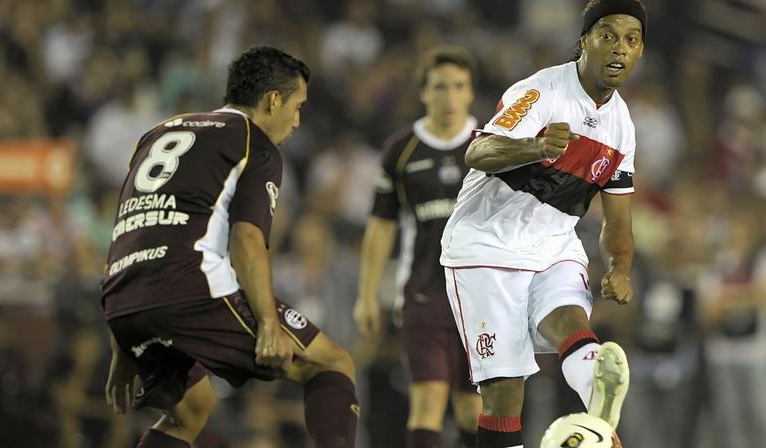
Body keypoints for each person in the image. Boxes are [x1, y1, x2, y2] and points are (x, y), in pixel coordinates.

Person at [101, 46, 359, 448]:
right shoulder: (253, 143)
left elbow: (130, 230)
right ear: (274, 100)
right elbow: (247, 238)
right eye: (297, 105)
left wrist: (122, 343)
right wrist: (269, 325)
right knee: (331, 362)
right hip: (188, 288)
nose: (297, 120)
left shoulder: (159, 132)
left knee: (191, 406)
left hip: (123, 299)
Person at [439, 1, 647, 447]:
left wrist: (621, 267)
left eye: (632, 40)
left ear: (640, 52)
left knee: (573, 322)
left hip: (554, 243)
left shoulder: (622, 125)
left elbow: (618, 216)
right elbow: (477, 153)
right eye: (607, 35)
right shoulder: (539, 92)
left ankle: (596, 421)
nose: (619, 48)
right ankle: (595, 420)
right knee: (504, 392)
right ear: (583, 42)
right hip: (485, 248)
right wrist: (535, 147)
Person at [354, 46, 482, 448]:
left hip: (481, 297)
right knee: (427, 401)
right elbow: (380, 226)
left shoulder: (490, 146)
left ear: (470, 93)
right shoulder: (401, 150)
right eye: (440, 87)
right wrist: (366, 295)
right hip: (422, 293)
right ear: (423, 93)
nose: (450, 96)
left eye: (459, 86)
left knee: (473, 411)